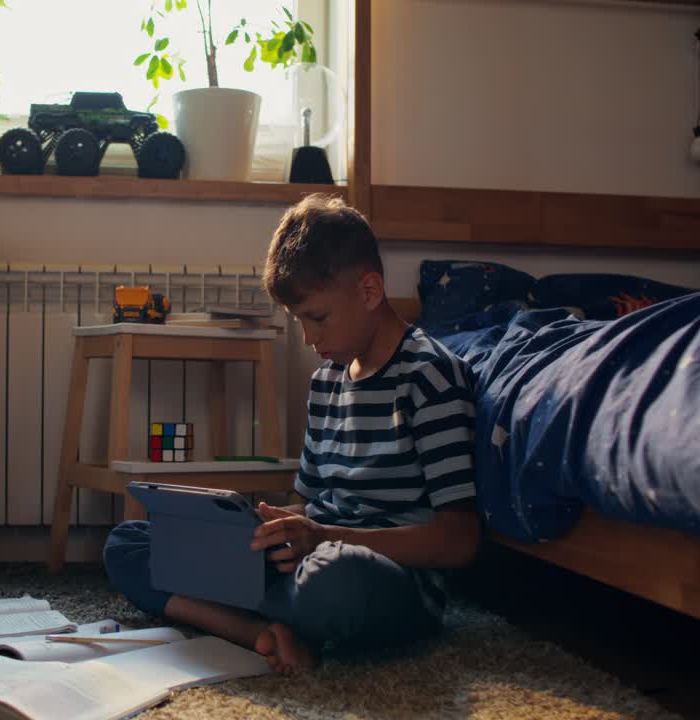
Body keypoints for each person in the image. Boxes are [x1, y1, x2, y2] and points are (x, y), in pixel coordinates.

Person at [104, 193, 481, 674]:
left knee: (337, 577)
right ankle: (264, 635)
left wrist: (323, 535)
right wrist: (270, 525)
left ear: (369, 292)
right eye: (300, 321)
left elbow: (458, 540)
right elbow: (311, 506)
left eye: (318, 318)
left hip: (384, 580)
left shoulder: (430, 375)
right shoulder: (326, 382)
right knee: (128, 543)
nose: (308, 339)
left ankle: (257, 619)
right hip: (308, 560)